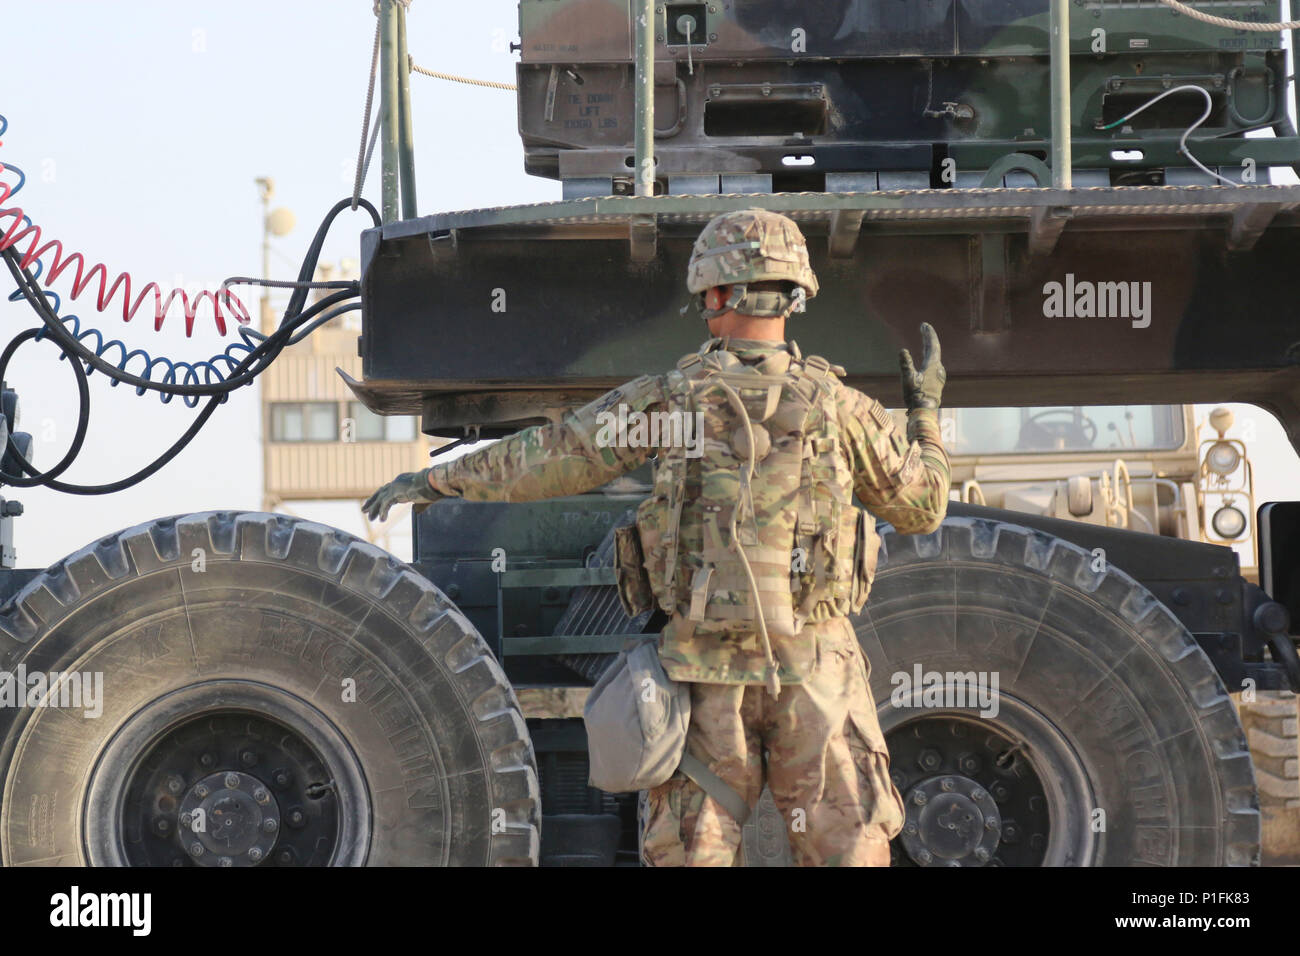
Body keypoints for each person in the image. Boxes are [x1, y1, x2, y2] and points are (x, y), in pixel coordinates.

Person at [363, 208, 951, 866]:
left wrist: (439, 480)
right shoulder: (846, 412)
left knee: (693, 855)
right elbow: (923, 507)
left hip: (704, 681)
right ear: (795, 295)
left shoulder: (670, 404)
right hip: (817, 677)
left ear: (717, 294)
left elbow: (552, 457)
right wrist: (924, 416)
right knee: (849, 851)